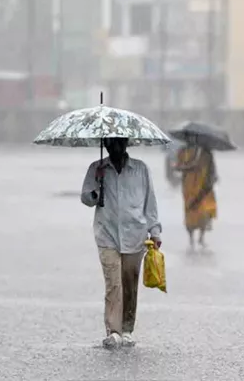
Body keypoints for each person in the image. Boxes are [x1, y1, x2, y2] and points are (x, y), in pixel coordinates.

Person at [80, 137, 162, 350]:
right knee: (113, 283)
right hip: (107, 235)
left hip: (135, 236)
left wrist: (155, 231)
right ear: (105, 145)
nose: (114, 147)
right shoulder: (97, 169)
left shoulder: (141, 169)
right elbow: (86, 199)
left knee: (129, 284)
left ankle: (127, 329)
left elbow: (149, 202)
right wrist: (97, 186)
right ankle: (113, 331)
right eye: (109, 143)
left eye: (118, 143)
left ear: (126, 143)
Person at [173, 136, 217, 249]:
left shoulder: (206, 152)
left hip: (204, 186)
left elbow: (212, 169)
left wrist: (212, 179)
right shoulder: (183, 151)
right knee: (190, 213)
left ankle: (201, 237)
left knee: (205, 211)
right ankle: (191, 238)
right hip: (189, 188)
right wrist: (189, 167)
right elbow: (178, 167)